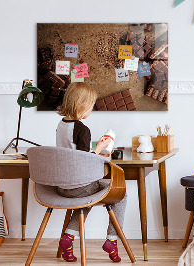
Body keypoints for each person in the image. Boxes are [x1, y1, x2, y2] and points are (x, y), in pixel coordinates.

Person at [56, 82, 126, 263]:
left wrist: (96, 150)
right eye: (91, 106)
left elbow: (73, 154)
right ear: (82, 105)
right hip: (79, 186)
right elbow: (84, 160)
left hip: (62, 186)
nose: (91, 109)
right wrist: (101, 148)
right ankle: (112, 240)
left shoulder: (61, 125)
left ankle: (68, 238)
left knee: (86, 198)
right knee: (121, 194)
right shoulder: (82, 129)